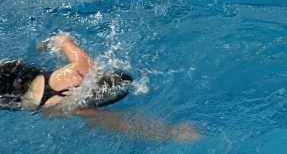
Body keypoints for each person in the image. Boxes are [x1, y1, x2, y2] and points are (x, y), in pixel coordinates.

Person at [1, 33, 201, 142]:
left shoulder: (81, 66)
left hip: (19, 73)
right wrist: (171, 133)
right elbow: (120, 123)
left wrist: (44, 44)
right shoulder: (70, 106)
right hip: (31, 100)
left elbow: (63, 39)